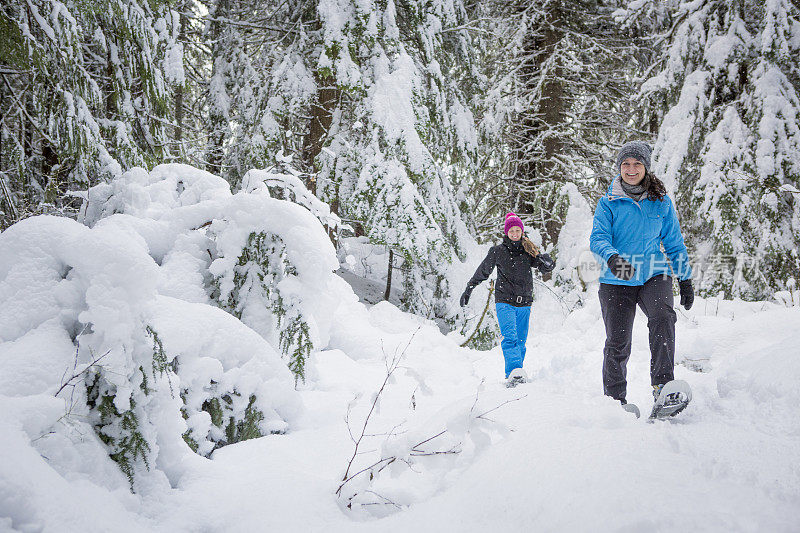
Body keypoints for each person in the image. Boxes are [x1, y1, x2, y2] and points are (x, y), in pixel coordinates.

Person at [589, 141, 694, 412]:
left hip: (653, 273)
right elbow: (598, 237)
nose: (631, 169)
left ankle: (663, 388)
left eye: (637, 164)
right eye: (626, 164)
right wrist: (612, 257)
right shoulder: (608, 202)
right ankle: (615, 401)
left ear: (646, 167)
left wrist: (684, 278)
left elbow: (673, 242)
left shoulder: (660, 202)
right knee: (618, 341)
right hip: (618, 276)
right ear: (619, 168)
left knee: (663, 317)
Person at [460, 213, 555, 386]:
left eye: (518, 230)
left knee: (520, 341)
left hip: (525, 301)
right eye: (511, 230)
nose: (515, 233)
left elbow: (544, 267)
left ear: (521, 231)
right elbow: (483, 271)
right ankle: (515, 372)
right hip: (504, 300)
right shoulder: (498, 251)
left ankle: (514, 374)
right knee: (510, 337)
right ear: (507, 232)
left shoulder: (528, 251)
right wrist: (470, 287)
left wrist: (547, 262)